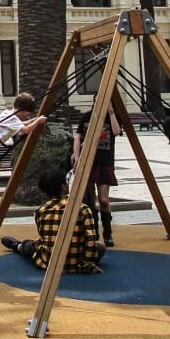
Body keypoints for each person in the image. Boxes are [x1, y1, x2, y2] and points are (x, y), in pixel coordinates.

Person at [1, 166, 106, 274]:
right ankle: (19, 246)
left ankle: (18, 246)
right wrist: (88, 265)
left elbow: (44, 237)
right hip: (76, 260)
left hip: (50, 261)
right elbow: (90, 240)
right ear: (63, 187)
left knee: (35, 245)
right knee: (100, 246)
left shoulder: (41, 210)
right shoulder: (83, 208)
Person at [73, 105, 122, 246]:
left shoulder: (112, 118)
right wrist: (77, 159)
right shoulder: (87, 117)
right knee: (89, 200)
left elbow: (117, 131)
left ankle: (108, 232)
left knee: (104, 200)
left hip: (105, 162)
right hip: (89, 161)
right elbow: (77, 138)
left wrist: (111, 111)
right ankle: (93, 232)